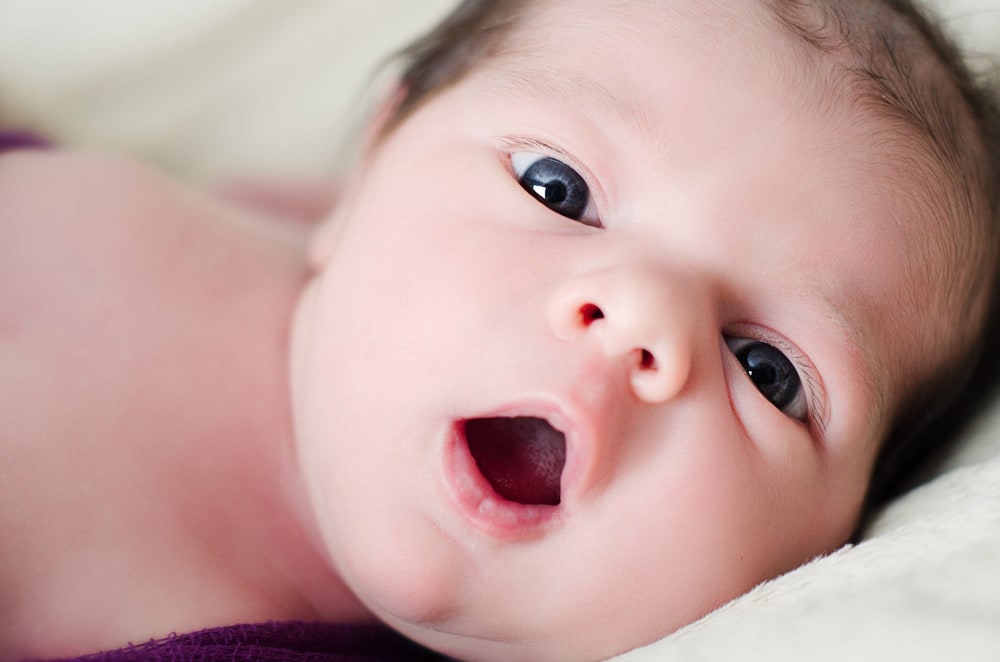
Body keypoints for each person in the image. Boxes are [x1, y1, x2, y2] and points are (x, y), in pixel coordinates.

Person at [2, 0, 998, 660]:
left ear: (828, 546)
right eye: (555, 189)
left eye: (767, 369)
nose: (640, 320)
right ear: (373, 161)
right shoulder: (296, 219)